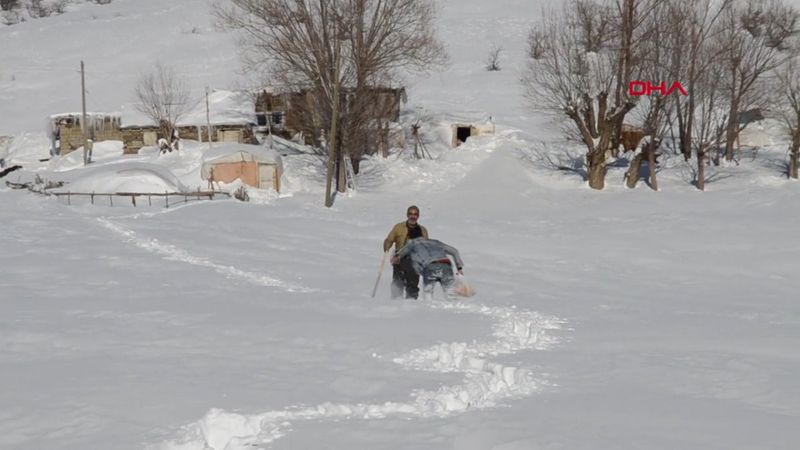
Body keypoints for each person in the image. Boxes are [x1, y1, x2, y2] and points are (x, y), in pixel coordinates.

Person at [391, 237, 464, 301]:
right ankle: (455, 308)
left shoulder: (412, 244)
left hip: (430, 266)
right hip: (446, 265)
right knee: (450, 293)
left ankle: (429, 309)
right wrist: (459, 267)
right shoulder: (435, 242)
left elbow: (400, 255)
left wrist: (395, 258)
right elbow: (454, 251)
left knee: (428, 292)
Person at [383, 205, 429, 299]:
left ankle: (411, 302)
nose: (413, 216)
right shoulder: (399, 227)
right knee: (398, 282)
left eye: (415, 214)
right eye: (411, 214)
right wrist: (387, 246)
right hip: (399, 258)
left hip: (414, 260)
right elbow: (389, 239)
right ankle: (396, 301)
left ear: (418, 216)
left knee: (412, 284)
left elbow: (426, 245)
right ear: (407, 215)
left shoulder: (422, 230)